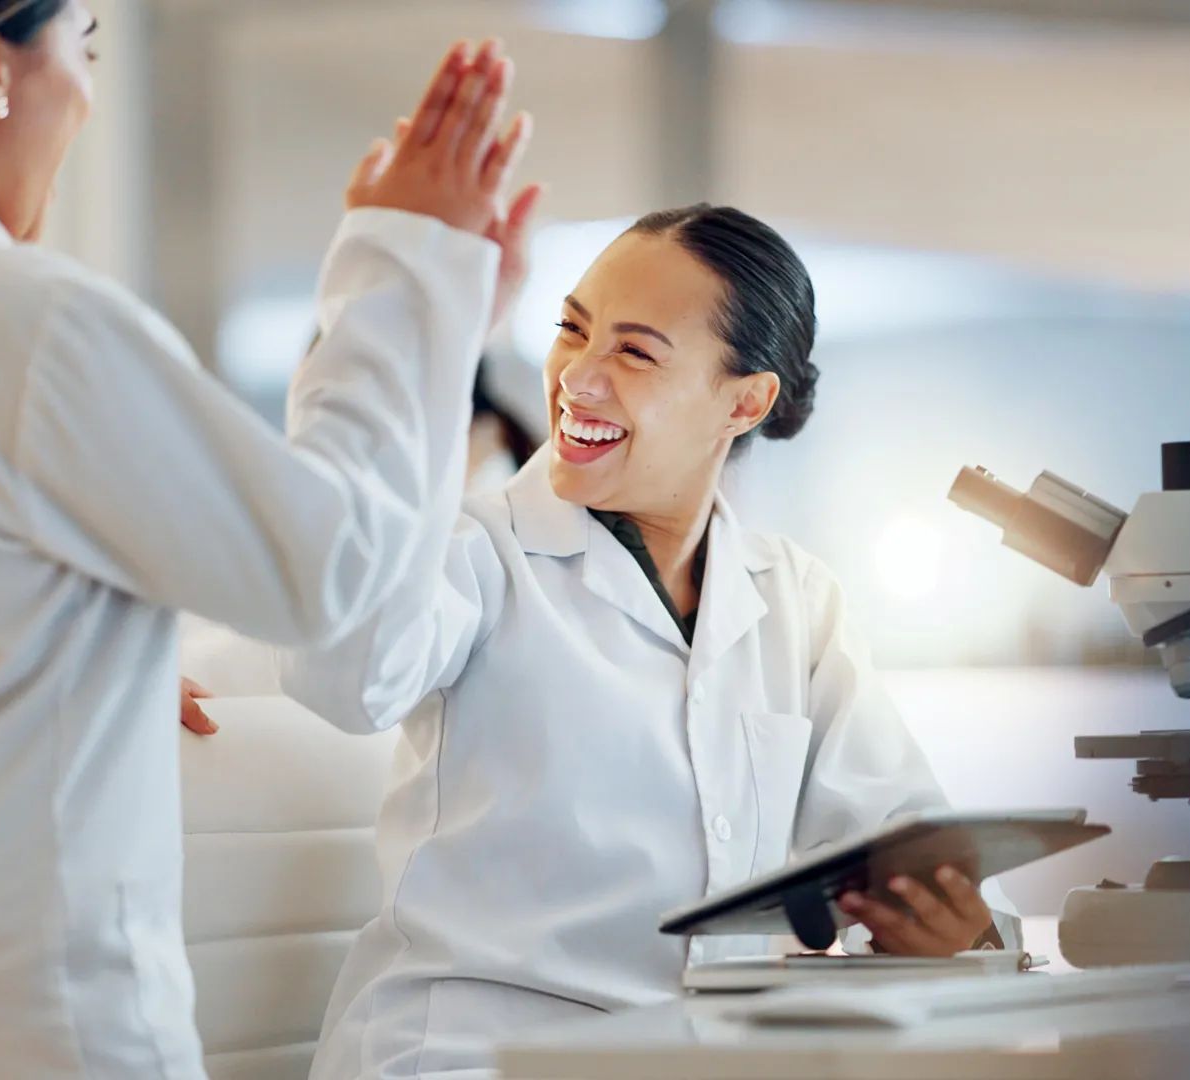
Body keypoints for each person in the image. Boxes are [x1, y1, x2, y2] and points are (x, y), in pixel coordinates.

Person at [0, 1, 538, 1074]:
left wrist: (83, 649)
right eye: (85, 48)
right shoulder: (27, 318)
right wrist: (403, 271)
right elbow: (334, 573)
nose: (87, 99)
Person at [238, 204, 1020, 1079]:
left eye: (635, 353)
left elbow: (902, 837)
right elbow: (341, 672)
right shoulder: (476, 553)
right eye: (573, 330)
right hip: (470, 1059)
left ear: (745, 401)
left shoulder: (794, 599)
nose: (578, 377)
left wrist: (953, 924)